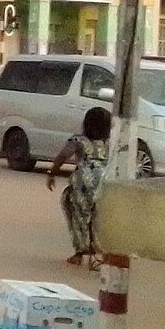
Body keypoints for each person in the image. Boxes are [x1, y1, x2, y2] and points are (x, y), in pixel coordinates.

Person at [46, 107, 111, 269]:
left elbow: (62, 156)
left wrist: (52, 173)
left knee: (77, 214)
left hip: (83, 181)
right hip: (105, 181)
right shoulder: (111, 141)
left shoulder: (78, 140)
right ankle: (101, 250)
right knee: (100, 216)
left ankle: (80, 253)